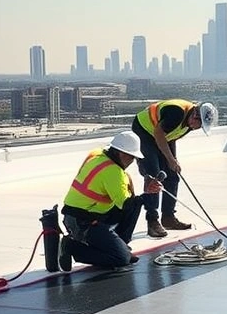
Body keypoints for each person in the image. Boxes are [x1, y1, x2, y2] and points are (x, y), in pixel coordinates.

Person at [59, 131, 163, 271]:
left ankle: (120, 244)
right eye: (132, 157)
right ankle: (72, 247)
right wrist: (148, 193)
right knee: (122, 259)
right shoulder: (113, 172)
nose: (132, 161)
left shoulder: (97, 155)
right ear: (122, 154)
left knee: (136, 203)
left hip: (78, 215)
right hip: (84, 222)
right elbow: (126, 205)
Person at [132, 99, 217, 238]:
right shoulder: (176, 112)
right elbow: (159, 133)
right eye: (199, 124)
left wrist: (173, 161)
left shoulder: (190, 123)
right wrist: (170, 159)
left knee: (172, 175)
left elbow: (171, 137)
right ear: (195, 115)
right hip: (144, 131)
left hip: (159, 135)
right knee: (154, 177)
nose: (196, 128)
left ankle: (168, 217)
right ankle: (153, 221)